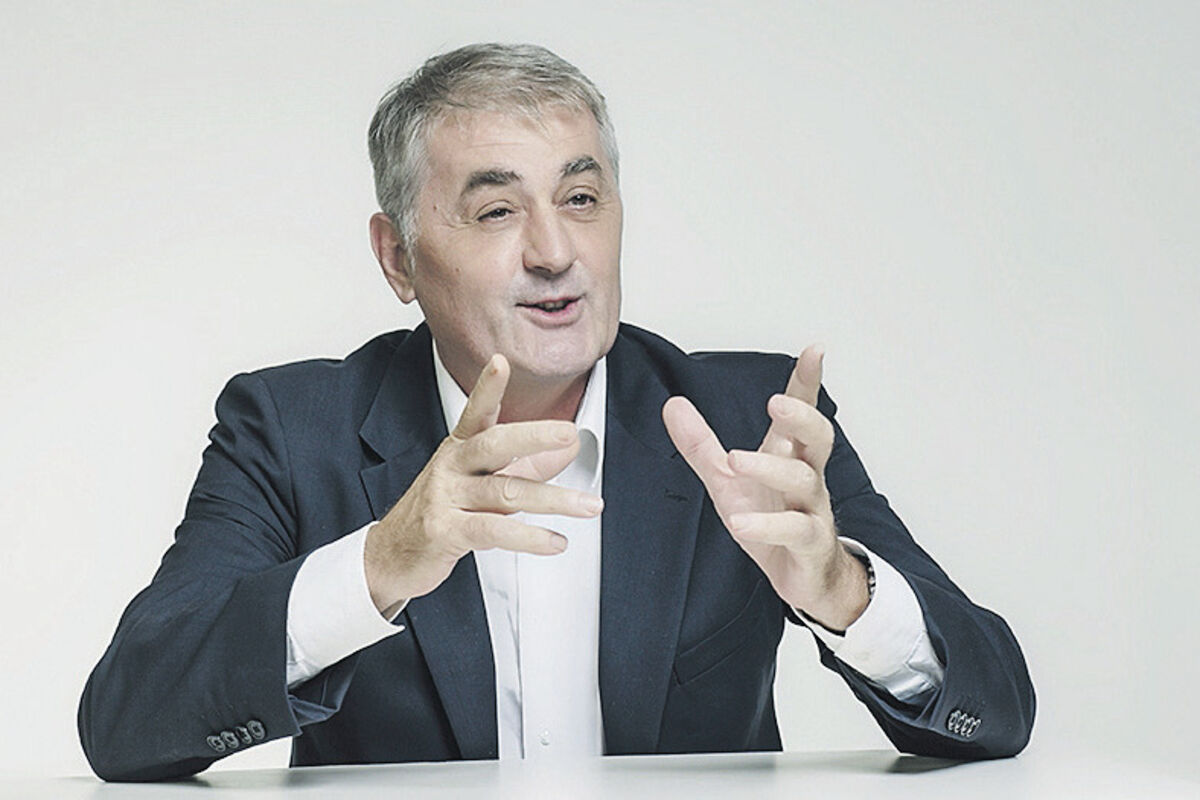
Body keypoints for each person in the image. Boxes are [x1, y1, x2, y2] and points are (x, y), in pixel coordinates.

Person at [78, 43, 1034, 782]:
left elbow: (999, 709)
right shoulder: (292, 429)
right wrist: (378, 565)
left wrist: (842, 593)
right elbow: (126, 723)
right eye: (497, 211)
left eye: (580, 198)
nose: (554, 251)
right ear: (398, 258)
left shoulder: (755, 418)